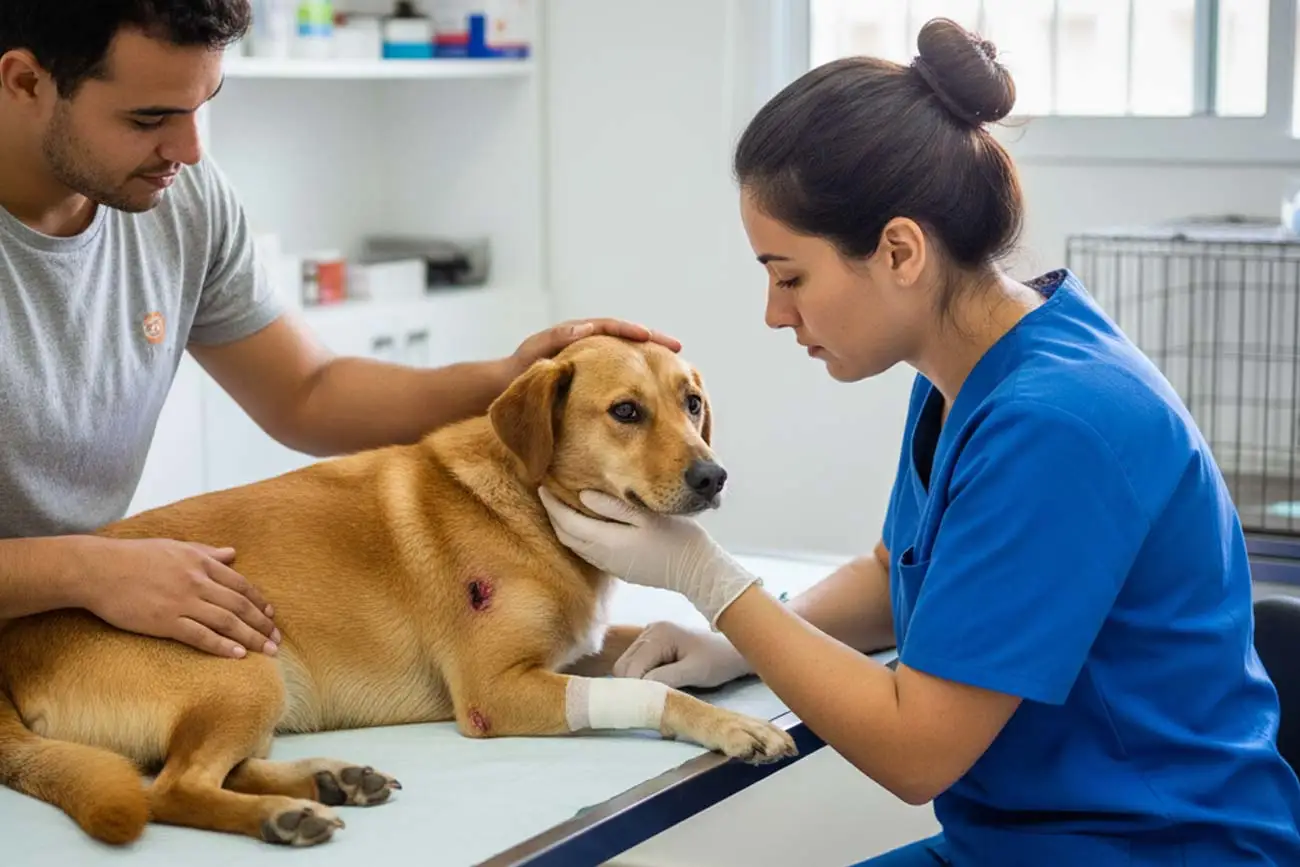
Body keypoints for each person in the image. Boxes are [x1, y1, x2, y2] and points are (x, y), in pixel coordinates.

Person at [540, 17, 1300, 867]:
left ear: (900, 249)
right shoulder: (969, 367)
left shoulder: (1057, 424)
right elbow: (895, 569)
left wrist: (707, 579)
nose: (775, 313)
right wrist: (737, 642)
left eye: (790, 276)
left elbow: (915, 751)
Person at [0, 1, 677, 662]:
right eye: (149, 117)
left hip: (58, 636)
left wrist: (510, 381)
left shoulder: (181, 199)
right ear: (25, 80)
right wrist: (86, 569)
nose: (190, 148)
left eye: (203, 104)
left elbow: (309, 390)